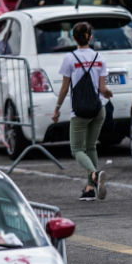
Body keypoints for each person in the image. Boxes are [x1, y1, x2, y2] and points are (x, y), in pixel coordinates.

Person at [53, 22, 114, 201]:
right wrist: (108, 93)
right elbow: (103, 89)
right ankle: (89, 188)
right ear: (90, 37)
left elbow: (65, 87)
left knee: (77, 149)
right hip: (98, 108)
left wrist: (57, 108)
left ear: (73, 37)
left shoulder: (70, 58)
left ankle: (95, 174)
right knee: (91, 146)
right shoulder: (99, 57)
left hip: (79, 110)